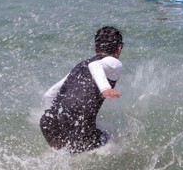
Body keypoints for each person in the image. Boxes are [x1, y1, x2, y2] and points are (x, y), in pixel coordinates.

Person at [40, 26, 124, 154]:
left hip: (48, 122)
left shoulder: (81, 66)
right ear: (119, 49)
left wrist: (61, 117)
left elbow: (48, 95)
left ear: (95, 47)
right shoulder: (113, 62)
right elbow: (95, 65)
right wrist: (105, 89)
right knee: (115, 141)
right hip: (78, 128)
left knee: (65, 158)